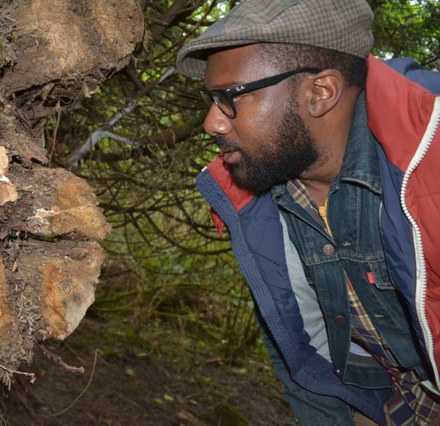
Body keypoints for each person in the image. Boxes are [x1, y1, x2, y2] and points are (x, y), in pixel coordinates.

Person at [176, 0, 440, 424]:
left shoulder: (429, 171)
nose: (212, 123)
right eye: (211, 98)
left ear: (320, 93)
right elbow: (305, 360)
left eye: (230, 97)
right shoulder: (262, 194)